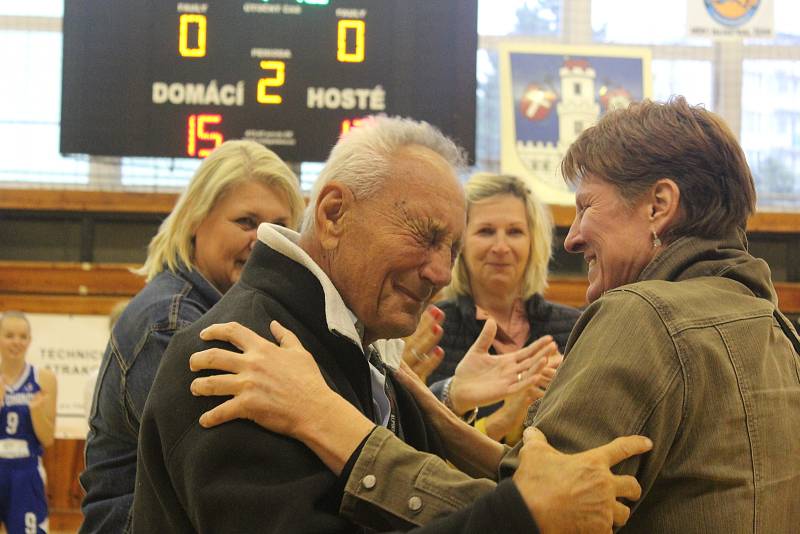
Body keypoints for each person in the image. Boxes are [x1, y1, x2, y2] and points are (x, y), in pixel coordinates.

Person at [190, 97, 800, 532]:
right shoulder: (773, 330)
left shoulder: (644, 316)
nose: (575, 236)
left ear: (659, 205)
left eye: (588, 206)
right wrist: (432, 410)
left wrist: (329, 420)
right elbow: (546, 487)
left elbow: (544, 510)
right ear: (331, 216)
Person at [128, 117, 607, 533]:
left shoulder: (355, 349)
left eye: (453, 249)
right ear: (334, 213)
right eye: (426, 235)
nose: (441, 273)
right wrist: (518, 516)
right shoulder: (239, 353)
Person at [79, 140, 304, 533]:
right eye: (246, 222)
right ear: (196, 222)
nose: (264, 240)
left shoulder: (236, 317)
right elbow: (233, 476)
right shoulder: (171, 324)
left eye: (280, 227)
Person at [425, 173, 580, 444]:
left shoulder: (577, 327)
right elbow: (419, 442)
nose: (500, 246)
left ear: (534, 243)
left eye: (515, 232)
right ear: (459, 243)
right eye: (486, 231)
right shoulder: (430, 329)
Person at [0, 311, 57, 534]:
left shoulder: (44, 379)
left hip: (26, 470)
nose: (17, 342)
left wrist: (36, 413)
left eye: (23, 336)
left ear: (30, 340)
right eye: (10, 335)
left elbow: (48, 439)